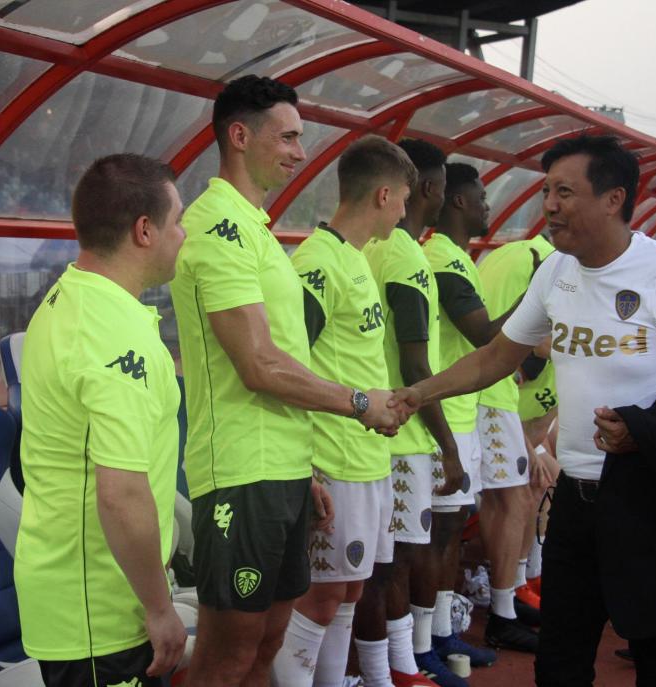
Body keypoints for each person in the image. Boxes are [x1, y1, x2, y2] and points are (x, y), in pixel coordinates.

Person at [393, 135, 656, 687]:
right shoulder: (555, 272)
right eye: (547, 191)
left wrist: (650, 430)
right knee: (561, 663)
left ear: (614, 199)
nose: (548, 205)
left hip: (652, 499)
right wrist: (417, 395)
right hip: (575, 499)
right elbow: (497, 357)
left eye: (563, 192)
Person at [170, 75, 405, 687]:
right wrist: (359, 403)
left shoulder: (255, 227)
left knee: (269, 644)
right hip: (241, 474)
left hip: (284, 469)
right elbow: (259, 365)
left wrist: (306, 469)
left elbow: (288, 354)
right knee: (227, 658)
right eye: (290, 137)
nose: (301, 153)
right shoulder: (217, 226)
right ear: (240, 135)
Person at [15, 154, 188, 687]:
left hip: (86, 597)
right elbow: (121, 493)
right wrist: (160, 608)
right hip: (100, 615)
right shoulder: (112, 334)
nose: (184, 235)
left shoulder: (72, 297)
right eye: (177, 220)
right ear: (144, 230)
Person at [271, 134, 417, 687]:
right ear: (383, 195)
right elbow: (290, 365)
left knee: (351, 591)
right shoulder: (316, 263)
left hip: (369, 459)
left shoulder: (354, 258)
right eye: (403, 199)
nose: (405, 211)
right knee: (322, 596)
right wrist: (306, 464)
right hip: (334, 460)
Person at [359, 138, 465, 687]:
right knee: (393, 563)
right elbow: (414, 359)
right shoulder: (404, 253)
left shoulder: (374, 248)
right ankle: (399, 668)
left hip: (379, 431)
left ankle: (402, 664)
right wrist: (448, 445)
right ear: (427, 189)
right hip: (399, 435)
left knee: (380, 567)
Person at [424, 161, 523, 661]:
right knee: (434, 540)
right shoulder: (440, 258)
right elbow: (485, 337)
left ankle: (440, 635)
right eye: (482, 197)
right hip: (442, 419)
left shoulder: (459, 258)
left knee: (446, 536)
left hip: (462, 417)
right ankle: (426, 645)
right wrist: (537, 296)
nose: (488, 206)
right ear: (458, 202)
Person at [473, 234, 558, 650]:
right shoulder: (528, 262)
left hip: (498, 397)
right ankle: (500, 607)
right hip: (485, 397)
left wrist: (537, 448)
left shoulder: (547, 261)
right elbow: (486, 336)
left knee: (529, 490)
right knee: (510, 500)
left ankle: (515, 591)